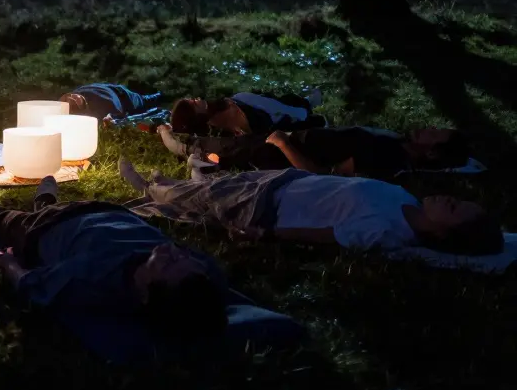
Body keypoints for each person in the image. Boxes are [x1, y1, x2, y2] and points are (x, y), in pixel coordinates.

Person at [0, 177, 228, 338]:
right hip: (109, 211)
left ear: (146, 293)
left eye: (168, 263)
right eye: (182, 255)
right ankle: (45, 200)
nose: (173, 251)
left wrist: (8, 263)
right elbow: (208, 288)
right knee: (43, 210)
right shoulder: (201, 277)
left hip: (45, 228)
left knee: (5, 221)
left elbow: (33, 285)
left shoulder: (91, 279)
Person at [119, 158, 503, 255]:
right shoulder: (407, 200)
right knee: (221, 185)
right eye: (458, 199)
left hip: (266, 208)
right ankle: (169, 185)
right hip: (286, 182)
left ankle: (154, 191)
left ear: (439, 234)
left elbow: (326, 236)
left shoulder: (385, 231)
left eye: (453, 209)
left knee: (204, 199)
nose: (450, 198)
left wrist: (267, 233)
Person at [159, 124, 470, 181]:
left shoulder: (385, 158)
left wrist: (284, 144)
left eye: (432, 133)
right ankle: (184, 138)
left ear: (431, 154)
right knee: (238, 139)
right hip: (296, 137)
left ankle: (178, 143)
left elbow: (322, 176)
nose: (425, 128)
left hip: (282, 153)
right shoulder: (395, 143)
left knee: (224, 149)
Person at [168, 88, 326, 136]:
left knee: (286, 102)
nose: (196, 98)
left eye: (192, 99)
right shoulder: (216, 131)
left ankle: (307, 104)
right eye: (193, 103)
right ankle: (308, 105)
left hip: (276, 124)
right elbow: (275, 108)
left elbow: (278, 109)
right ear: (196, 116)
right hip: (275, 130)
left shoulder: (236, 104)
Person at [60, 83, 164, 123]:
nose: (70, 97)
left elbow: (119, 115)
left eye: (68, 96)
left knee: (145, 100)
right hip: (120, 95)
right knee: (145, 100)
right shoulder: (101, 106)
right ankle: (160, 95)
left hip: (121, 94)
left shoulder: (102, 105)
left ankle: (162, 95)